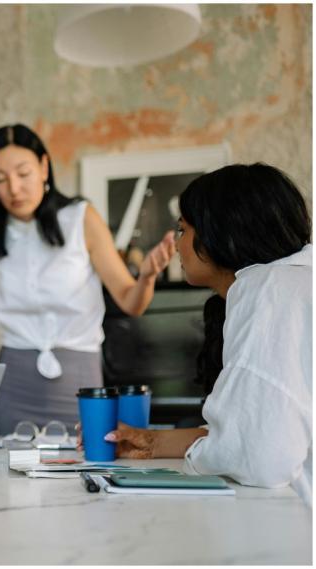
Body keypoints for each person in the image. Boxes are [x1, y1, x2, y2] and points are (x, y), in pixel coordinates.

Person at [0, 124, 175, 435]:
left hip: (79, 377)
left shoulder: (81, 219)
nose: (14, 188)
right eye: (0, 179)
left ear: (44, 167)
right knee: (13, 478)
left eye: (23, 174)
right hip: (14, 383)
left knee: (82, 470)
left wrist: (146, 277)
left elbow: (131, 302)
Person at [85, 163, 312, 505]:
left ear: (221, 231)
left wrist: (199, 456)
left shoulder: (268, 290)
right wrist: (150, 442)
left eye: (183, 230)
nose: (178, 245)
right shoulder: (287, 284)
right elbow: (245, 431)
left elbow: (262, 454)